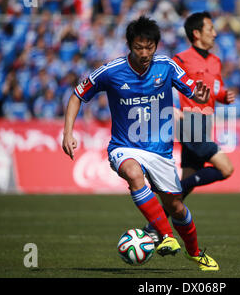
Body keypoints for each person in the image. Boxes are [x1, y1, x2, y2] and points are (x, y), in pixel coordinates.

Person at [62, 16, 219, 271]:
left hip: (161, 152)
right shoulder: (111, 71)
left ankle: (195, 252)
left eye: (149, 47)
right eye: (138, 47)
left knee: (177, 208)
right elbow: (77, 95)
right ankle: (166, 237)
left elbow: (192, 89)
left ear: (156, 46)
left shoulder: (166, 66)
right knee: (134, 174)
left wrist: (200, 95)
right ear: (129, 45)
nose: (144, 53)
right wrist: (67, 133)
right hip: (124, 147)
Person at [143, 11, 235, 241]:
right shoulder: (180, 60)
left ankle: (155, 225)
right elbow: (158, 83)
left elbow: (216, 88)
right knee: (226, 169)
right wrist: (170, 109)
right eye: (210, 28)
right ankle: (160, 207)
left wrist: (225, 95)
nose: (215, 33)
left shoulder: (215, 61)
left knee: (185, 186)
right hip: (189, 123)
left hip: (206, 124)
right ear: (196, 33)